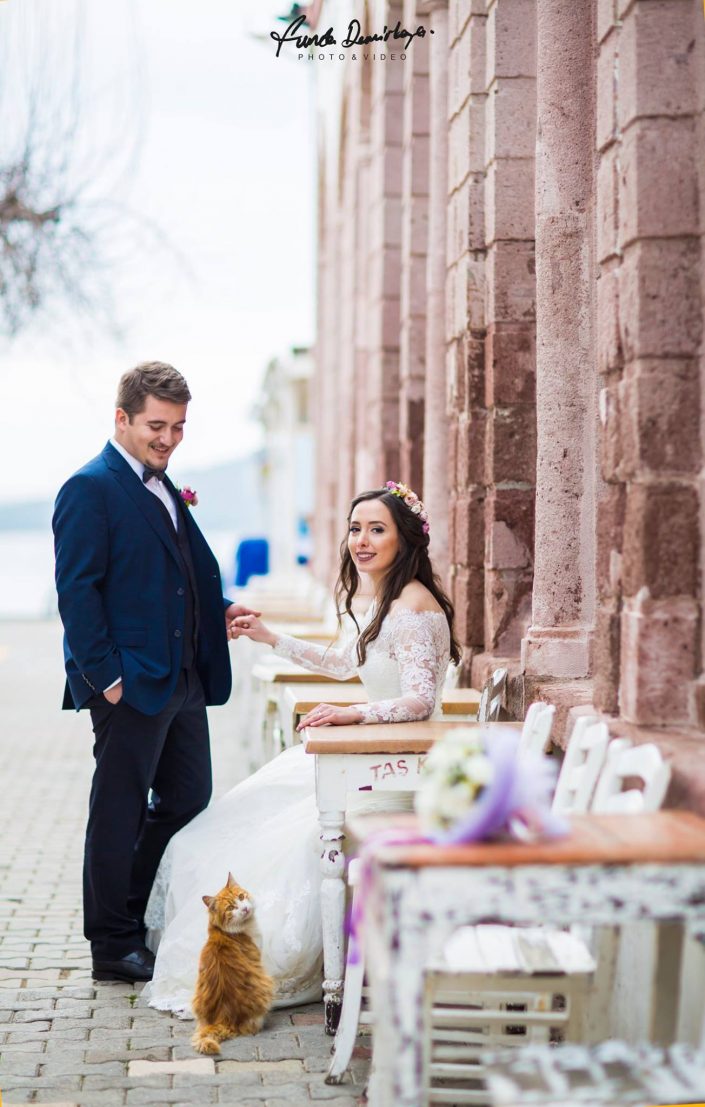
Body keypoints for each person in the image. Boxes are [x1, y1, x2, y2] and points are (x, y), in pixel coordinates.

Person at [142, 482, 460, 1015]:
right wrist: (271, 638)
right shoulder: (383, 598)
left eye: (377, 530)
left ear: (406, 540)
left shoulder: (414, 605)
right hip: (369, 755)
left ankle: (302, 970)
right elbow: (343, 664)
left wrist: (350, 714)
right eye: (356, 529)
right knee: (226, 824)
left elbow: (419, 701)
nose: (361, 540)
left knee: (284, 841)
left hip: (396, 772)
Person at [52, 361, 258, 984]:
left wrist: (217, 610)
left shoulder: (164, 485)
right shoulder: (90, 488)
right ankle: (112, 945)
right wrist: (106, 678)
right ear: (122, 418)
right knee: (117, 809)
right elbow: (77, 592)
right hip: (129, 682)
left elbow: (171, 574)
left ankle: (134, 913)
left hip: (182, 677)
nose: (168, 439)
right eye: (156, 426)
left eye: (178, 427)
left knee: (189, 796)